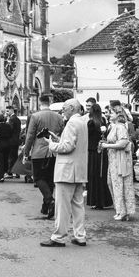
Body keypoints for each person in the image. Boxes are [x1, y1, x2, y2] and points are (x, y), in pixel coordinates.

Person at [40, 98, 88, 247]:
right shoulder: (82, 122)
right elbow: (73, 143)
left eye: (65, 108)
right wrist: (58, 139)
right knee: (78, 205)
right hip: (78, 169)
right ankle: (80, 235)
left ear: (72, 108)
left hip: (67, 170)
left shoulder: (72, 123)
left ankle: (58, 236)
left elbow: (67, 147)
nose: (63, 111)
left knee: (62, 206)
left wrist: (52, 144)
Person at [24, 94, 64, 218]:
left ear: (40, 103)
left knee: (39, 178)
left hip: (39, 151)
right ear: (50, 102)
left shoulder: (35, 116)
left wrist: (26, 152)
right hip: (53, 151)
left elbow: (30, 136)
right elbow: (62, 133)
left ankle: (50, 200)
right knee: (49, 179)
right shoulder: (58, 117)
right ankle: (46, 206)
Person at [100, 105, 136, 220]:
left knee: (119, 184)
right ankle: (120, 210)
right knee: (113, 183)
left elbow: (123, 143)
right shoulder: (115, 127)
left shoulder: (120, 127)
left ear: (118, 114)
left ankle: (123, 211)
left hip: (119, 160)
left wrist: (107, 145)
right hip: (114, 159)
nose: (109, 114)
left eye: (111, 113)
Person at [84, 103, 112, 210]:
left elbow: (87, 137)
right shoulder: (103, 122)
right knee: (101, 176)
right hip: (102, 151)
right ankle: (103, 200)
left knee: (93, 175)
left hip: (93, 152)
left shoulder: (91, 123)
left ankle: (95, 200)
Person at [0, 113, 13, 182]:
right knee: (6, 159)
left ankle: (1, 176)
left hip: (0, 144)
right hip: (7, 144)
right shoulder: (8, 126)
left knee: (0, 161)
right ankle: (5, 171)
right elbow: (11, 134)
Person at [6, 106, 22, 178]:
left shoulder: (12, 119)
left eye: (7, 111)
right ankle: (17, 172)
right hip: (16, 140)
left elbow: (10, 130)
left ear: (11, 111)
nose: (6, 113)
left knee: (11, 157)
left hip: (11, 141)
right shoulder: (17, 119)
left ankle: (10, 172)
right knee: (15, 157)